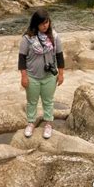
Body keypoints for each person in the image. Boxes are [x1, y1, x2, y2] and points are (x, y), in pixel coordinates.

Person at [18, 9, 65, 139]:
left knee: (48, 101)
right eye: (42, 23)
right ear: (36, 24)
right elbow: (21, 58)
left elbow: (59, 56)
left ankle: (48, 124)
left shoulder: (54, 37)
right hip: (32, 76)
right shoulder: (28, 38)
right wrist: (24, 76)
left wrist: (61, 74)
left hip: (49, 76)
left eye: (47, 22)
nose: (45, 25)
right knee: (31, 102)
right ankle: (31, 123)